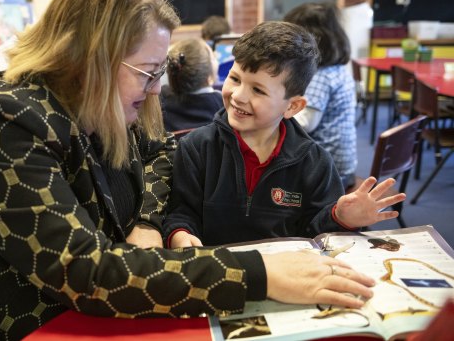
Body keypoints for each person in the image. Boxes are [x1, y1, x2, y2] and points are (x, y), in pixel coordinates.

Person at [0, 0, 377, 340]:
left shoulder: (107, 107)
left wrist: (149, 221)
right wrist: (259, 273)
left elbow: (160, 157)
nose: (158, 89)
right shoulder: (3, 120)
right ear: (90, 57)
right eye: (147, 72)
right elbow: (85, 273)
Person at [163, 21, 405, 248]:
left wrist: (340, 218)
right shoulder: (195, 148)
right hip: (220, 278)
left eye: (258, 90)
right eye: (234, 79)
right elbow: (181, 213)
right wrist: (180, 234)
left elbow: (318, 238)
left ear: (292, 107)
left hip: (288, 282)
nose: (238, 96)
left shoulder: (315, 163)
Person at [283, 1, 357, 190]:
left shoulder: (320, 76)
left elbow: (306, 123)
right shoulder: (339, 69)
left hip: (327, 173)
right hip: (344, 165)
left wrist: (273, 113)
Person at [160, 38, 223, 131]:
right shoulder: (221, 102)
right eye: (213, 57)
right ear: (209, 76)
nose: (216, 57)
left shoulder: (161, 97)